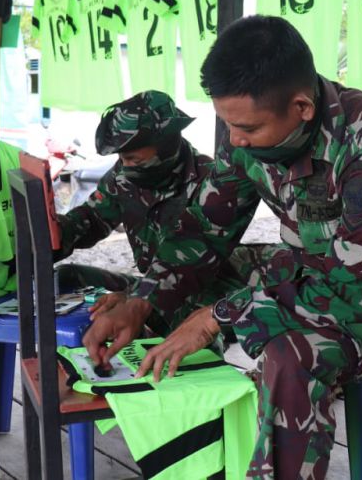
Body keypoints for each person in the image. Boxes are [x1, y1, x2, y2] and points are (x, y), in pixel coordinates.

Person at [130, 16, 362, 480]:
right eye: (227, 124)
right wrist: (141, 300)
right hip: (310, 266)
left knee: (292, 354)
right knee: (183, 282)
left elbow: (346, 293)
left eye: (246, 128)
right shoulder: (250, 128)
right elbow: (204, 230)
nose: (234, 139)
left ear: (301, 107)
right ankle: (199, 451)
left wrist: (218, 316)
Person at [58, 90, 249, 345]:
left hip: (200, 297)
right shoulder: (125, 175)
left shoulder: (212, 183)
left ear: (166, 145)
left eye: (132, 158)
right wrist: (58, 231)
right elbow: (92, 218)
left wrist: (135, 302)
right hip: (151, 287)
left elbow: (194, 261)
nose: (124, 165)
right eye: (121, 158)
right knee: (67, 277)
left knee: (177, 332)